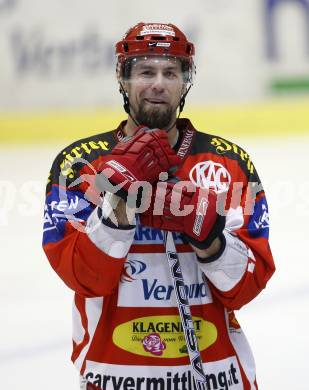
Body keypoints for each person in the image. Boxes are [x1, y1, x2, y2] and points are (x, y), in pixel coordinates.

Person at [43, 22, 275, 390]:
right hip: (114, 378)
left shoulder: (228, 163)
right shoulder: (81, 165)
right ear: (122, 78)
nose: (158, 84)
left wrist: (211, 239)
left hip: (218, 377)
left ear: (186, 82)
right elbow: (82, 277)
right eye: (145, 71)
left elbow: (247, 285)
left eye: (171, 72)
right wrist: (118, 199)